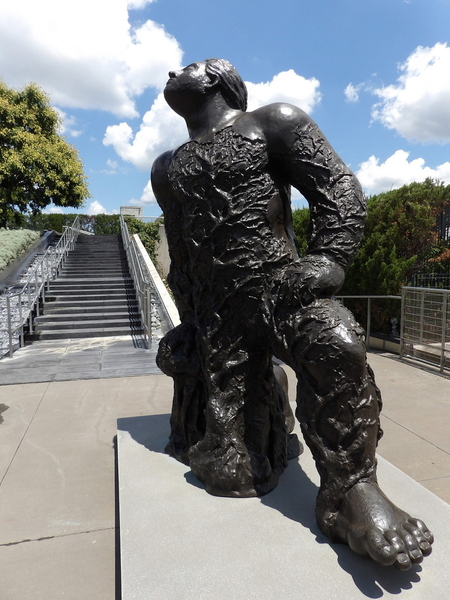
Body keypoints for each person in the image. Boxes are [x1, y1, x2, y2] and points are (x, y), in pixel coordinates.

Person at [151, 58, 433, 570]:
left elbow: (338, 188)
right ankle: (261, 421)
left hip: (279, 290)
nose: (172, 72)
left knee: (338, 341)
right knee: (231, 473)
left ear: (219, 78)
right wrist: (188, 320)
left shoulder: (272, 122)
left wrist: (330, 258)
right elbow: (183, 251)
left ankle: (351, 492)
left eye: (188, 66)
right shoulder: (167, 167)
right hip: (218, 317)